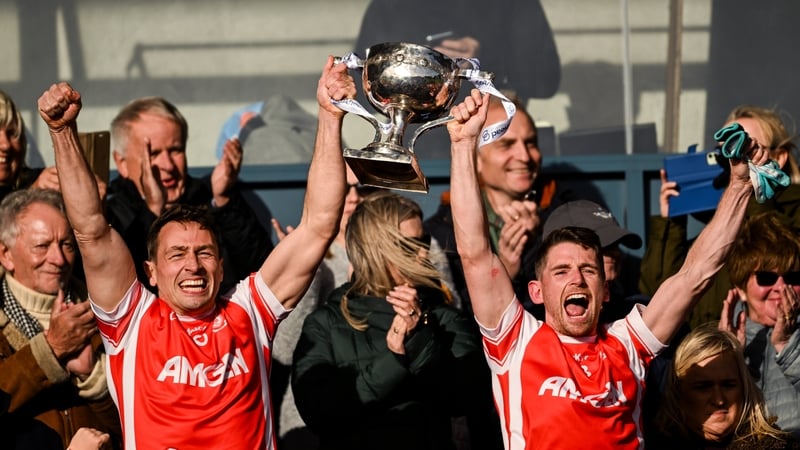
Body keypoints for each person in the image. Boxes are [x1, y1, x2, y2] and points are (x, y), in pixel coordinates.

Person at [37, 56, 355, 449]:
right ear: (150, 271)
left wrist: (329, 115)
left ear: (221, 268)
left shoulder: (251, 311)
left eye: (205, 253)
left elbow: (319, 224)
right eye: (177, 254)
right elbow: (89, 227)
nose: (193, 265)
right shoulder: (131, 322)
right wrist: (62, 131)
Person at [446, 89, 767, 449]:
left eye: (589, 269)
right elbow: (474, 252)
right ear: (536, 291)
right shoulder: (515, 341)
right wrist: (462, 144)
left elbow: (697, 273)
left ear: (606, 289)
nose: (577, 279)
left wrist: (739, 186)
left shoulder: (628, 341)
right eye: (561, 271)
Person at [292, 190, 496, 450]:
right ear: (375, 249)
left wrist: (420, 338)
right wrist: (394, 359)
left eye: (423, 243)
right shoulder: (326, 323)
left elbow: (469, 398)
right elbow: (318, 413)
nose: (424, 255)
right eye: (410, 246)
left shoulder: (444, 317)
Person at [640, 104, 800, 328]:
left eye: (749, 148)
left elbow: (771, 252)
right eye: (727, 152)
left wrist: (754, 192)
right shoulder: (715, 222)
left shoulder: (793, 210)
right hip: (710, 352)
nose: (736, 160)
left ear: (779, 157)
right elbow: (655, 296)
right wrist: (671, 224)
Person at [106, 95, 273, 294]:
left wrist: (224, 200)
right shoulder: (111, 216)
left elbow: (262, 273)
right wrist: (152, 210)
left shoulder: (208, 198)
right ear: (121, 163)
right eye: (154, 153)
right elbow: (122, 292)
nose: (168, 165)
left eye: (175, 150)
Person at [0, 188, 120, 450]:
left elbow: (134, 426)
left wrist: (93, 379)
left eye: (66, 244)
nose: (58, 259)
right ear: (6, 255)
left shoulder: (107, 314)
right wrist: (49, 350)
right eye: (42, 246)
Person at [425, 92, 543, 316]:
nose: (524, 156)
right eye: (506, 145)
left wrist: (544, 239)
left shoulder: (565, 215)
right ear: (477, 160)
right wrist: (504, 273)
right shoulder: (440, 234)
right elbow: (455, 320)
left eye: (531, 143)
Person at [648, 325, 800, 450]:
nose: (719, 400)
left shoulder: (779, 446)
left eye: (728, 385)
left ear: (744, 388)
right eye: (703, 387)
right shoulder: (648, 444)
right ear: (678, 391)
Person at [717, 211, 800, 437]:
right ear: (741, 287)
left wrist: (787, 345)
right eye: (766, 278)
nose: (781, 287)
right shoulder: (727, 334)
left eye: (792, 278)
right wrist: (727, 356)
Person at [541, 199, 645, 322]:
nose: (614, 252)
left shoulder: (636, 312)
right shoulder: (530, 326)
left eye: (616, 244)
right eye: (602, 244)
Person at [0, 90, 62, 197]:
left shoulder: (35, 178)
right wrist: (32, 195)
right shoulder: (35, 187)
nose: (6, 145)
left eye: (13, 133)